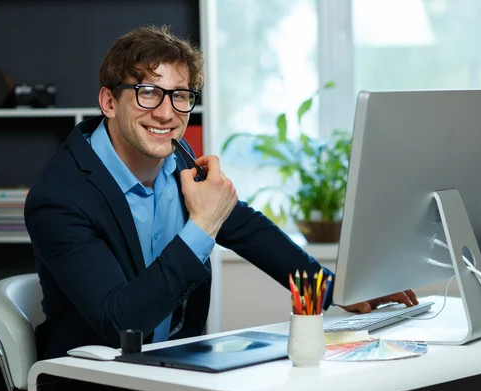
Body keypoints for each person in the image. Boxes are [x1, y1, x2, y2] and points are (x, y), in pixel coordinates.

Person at [24, 24, 418, 363]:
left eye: (180, 96)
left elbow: (248, 230)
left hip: (174, 370)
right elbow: (119, 322)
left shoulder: (178, 161)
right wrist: (204, 224)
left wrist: (338, 289)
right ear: (109, 102)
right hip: (92, 388)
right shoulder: (59, 197)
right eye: (148, 92)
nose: (166, 113)